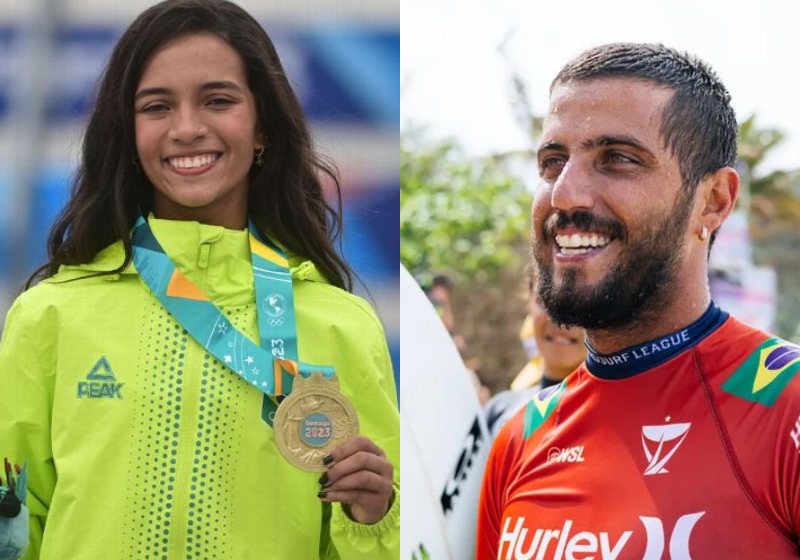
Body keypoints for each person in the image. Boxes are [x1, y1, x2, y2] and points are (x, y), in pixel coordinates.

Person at [0, 1, 398, 558]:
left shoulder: (342, 325)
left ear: (262, 126)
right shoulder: (50, 315)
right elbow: (13, 529)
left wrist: (374, 517)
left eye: (218, 100)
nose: (187, 128)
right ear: (128, 133)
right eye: (157, 106)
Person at [477, 42, 800, 558]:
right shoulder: (520, 437)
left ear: (714, 201)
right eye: (552, 161)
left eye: (619, 160)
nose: (565, 194)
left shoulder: (787, 405)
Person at [483, 274, 586, 437]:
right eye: (545, 300)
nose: (559, 319)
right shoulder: (500, 411)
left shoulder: (628, 418)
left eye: (578, 302)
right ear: (528, 305)